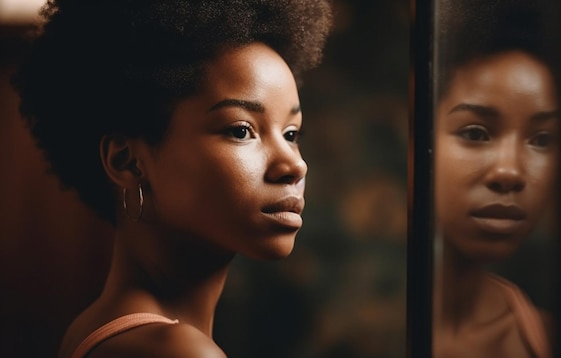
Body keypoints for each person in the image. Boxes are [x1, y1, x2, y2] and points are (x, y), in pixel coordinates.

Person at [10, 0, 332, 357]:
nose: (293, 166)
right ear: (128, 162)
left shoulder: (94, 329)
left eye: (291, 133)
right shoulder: (177, 351)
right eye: (241, 130)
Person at [432, 1, 560, 357]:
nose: (509, 172)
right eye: (475, 134)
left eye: (543, 140)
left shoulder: (547, 339)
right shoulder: (357, 333)